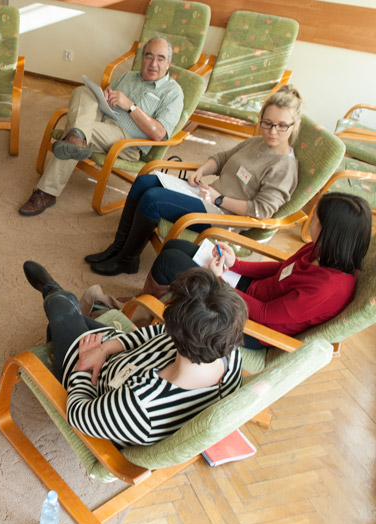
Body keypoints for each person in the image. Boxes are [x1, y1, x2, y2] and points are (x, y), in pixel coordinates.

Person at [85, 84, 303, 276]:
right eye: (267, 123)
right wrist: (201, 170)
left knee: (153, 199)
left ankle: (127, 260)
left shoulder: (284, 166)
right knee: (144, 181)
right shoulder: (256, 142)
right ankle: (118, 246)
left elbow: (261, 210)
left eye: (282, 125)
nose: (272, 131)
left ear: (295, 125)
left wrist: (219, 199)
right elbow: (222, 158)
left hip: (222, 216)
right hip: (206, 196)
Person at [23, 261, 245, 447]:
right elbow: (155, 333)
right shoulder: (225, 348)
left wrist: (84, 366)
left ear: (176, 332)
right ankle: (63, 307)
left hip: (93, 384)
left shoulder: (140, 407)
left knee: (59, 308)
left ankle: (53, 291)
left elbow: (77, 414)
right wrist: (103, 349)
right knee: (62, 318)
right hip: (116, 355)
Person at [139, 193, 371, 349]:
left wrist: (218, 282)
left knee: (170, 261)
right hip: (251, 293)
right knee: (176, 246)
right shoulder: (323, 251)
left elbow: (266, 313)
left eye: (315, 218)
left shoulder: (326, 289)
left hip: (253, 326)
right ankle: (153, 310)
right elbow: (281, 269)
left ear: (330, 232)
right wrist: (234, 264)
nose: (310, 221)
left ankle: (141, 314)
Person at [19, 37, 184, 216]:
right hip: (103, 117)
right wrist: (105, 96)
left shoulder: (173, 93)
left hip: (126, 139)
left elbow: (159, 133)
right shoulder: (129, 76)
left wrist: (130, 106)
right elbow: (102, 98)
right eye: (149, 56)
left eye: (160, 58)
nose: (153, 64)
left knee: (82, 129)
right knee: (82, 91)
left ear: (168, 63)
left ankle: (46, 192)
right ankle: (76, 138)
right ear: (142, 58)